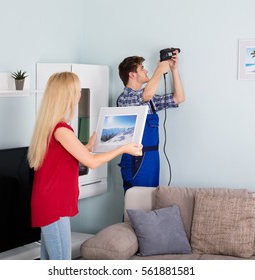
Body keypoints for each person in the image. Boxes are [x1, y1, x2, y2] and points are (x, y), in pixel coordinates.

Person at [27, 72, 142, 260]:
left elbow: (72, 156)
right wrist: (123, 148)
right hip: (54, 205)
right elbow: (91, 162)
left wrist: (88, 145)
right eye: (77, 90)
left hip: (50, 201)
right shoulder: (62, 130)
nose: (79, 94)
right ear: (68, 95)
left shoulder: (52, 126)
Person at [117, 50, 185, 193]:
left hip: (152, 159)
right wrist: (159, 69)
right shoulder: (125, 98)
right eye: (142, 68)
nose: (146, 70)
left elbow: (179, 98)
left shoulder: (149, 100)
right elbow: (146, 95)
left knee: (149, 203)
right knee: (135, 206)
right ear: (132, 74)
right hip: (136, 160)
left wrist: (174, 69)